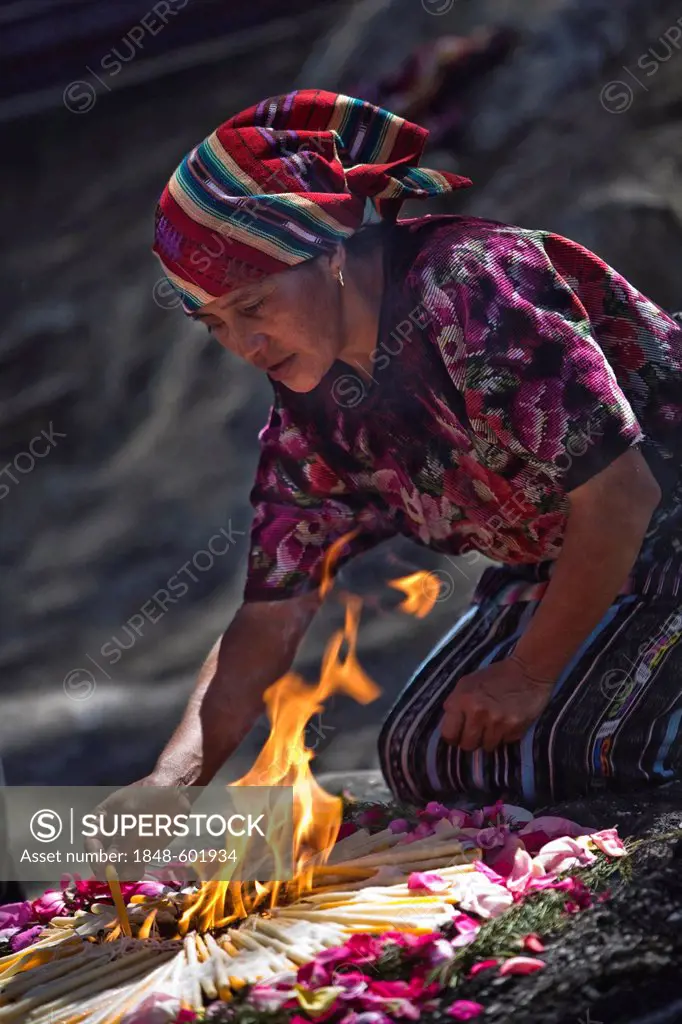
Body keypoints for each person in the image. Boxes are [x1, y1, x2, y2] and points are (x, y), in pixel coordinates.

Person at [131, 87, 682, 813]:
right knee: (424, 756)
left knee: (580, 743)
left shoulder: (469, 287)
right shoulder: (314, 412)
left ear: (327, 253)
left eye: (254, 307)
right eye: (215, 326)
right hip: (566, 560)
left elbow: (623, 494)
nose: (245, 346)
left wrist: (526, 674)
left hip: (660, 522)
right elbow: (271, 614)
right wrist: (171, 782)